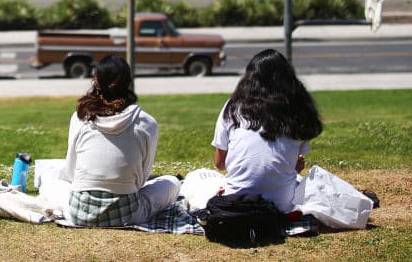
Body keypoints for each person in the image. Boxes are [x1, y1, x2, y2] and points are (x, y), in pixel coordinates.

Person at [50, 55, 180, 226]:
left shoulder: (80, 118)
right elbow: (141, 179)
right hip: (128, 214)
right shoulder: (147, 123)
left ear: (95, 81)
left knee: (50, 181)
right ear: (128, 83)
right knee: (172, 182)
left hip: (79, 214)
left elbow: (71, 171)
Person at [212, 49, 323, 213]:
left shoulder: (233, 106)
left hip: (235, 202)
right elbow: (288, 164)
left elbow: (220, 163)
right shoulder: (297, 110)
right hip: (282, 205)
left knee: (198, 178)